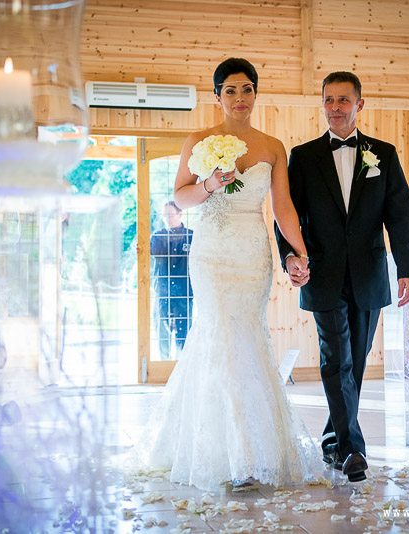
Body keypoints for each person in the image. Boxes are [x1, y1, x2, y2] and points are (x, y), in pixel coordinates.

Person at [137, 58, 320, 490]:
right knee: (218, 334)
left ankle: (257, 450)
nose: (240, 98)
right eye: (231, 90)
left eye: (247, 89)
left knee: (248, 337)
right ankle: (220, 451)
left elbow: (283, 207)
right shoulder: (199, 140)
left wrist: (300, 251)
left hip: (253, 253)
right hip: (213, 253)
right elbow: (179, 199)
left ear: (256, 93)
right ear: (216, 95)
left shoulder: (273, 146)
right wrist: (210, 185)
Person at [275, 71, 409, 483]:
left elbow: (400, 215)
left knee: (352, 363)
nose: (335, 107)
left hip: (370, 273)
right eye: (329, 100)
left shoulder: (383, 155)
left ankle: (333, 441)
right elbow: (287, 216)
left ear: (360, 104)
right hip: (322, 273)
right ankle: (354, 449)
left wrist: (406, 268)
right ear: (322, 105)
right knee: (336, 359)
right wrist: (290, 258)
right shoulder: (302, 156)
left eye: (343, 100)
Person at [150, 201, 193, 359]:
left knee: (184, 334)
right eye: (164, 215)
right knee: (163, 333)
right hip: (163, 291)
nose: (167, 218)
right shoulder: (157, 237)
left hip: (185, 293)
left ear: (180, 214)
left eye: (170, 214)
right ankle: (163, 365)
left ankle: (181, 367)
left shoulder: (192, 237)